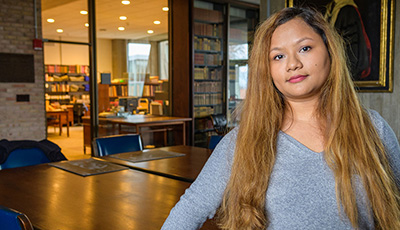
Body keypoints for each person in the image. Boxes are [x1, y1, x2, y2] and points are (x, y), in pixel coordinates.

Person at [162, 7, 400, 230]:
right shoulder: (244, 142)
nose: (293, 64)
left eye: (305, 48)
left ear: (330, 51)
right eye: (278, 57)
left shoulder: (373, 129)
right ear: (267, 70)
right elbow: (189, 209)